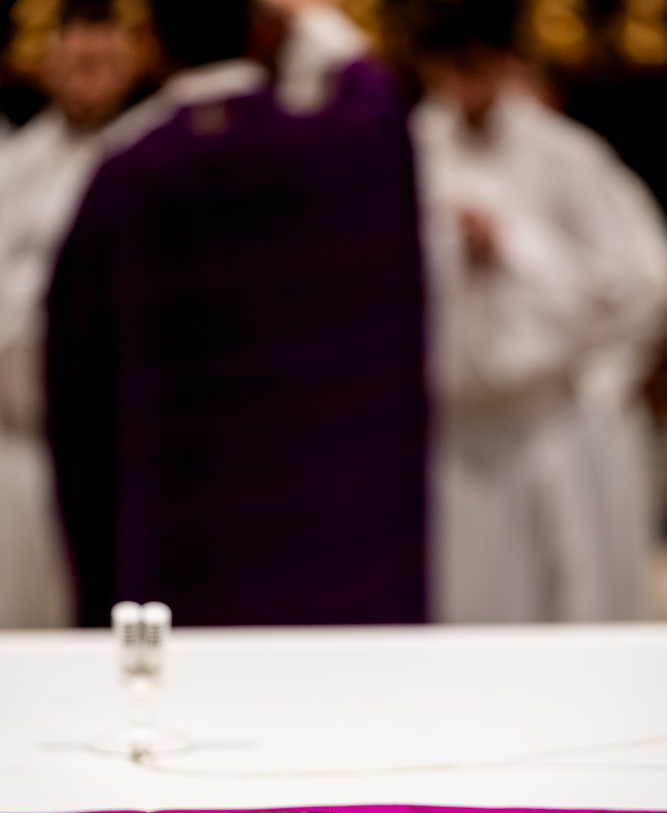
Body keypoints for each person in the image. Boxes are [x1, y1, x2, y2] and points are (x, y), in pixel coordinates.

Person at [48, 0, 424, 626]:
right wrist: (313, 17)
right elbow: (380, 105)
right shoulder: (327, 150)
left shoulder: (124, 181)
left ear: (151, 44)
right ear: (261, 32)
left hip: (181, 536)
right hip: (327, 539)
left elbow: (76, 388)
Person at [391, 0, 667, 622]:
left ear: (506, 63)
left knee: (568, 597)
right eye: (448, 67)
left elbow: (638, 280)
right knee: (459, 605)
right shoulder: (409, 150)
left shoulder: (565, 153)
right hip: (451, 425)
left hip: (546, 419)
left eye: (476, 65)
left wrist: (513, 245)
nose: (462, 84)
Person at [0, 0, 152, 627]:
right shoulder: (15, 166)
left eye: (103, 64)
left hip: (122, 441)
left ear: (128, 65)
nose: (90, 80)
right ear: (50, 66)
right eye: (77, 64)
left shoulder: (148, 158)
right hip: (23, 437)